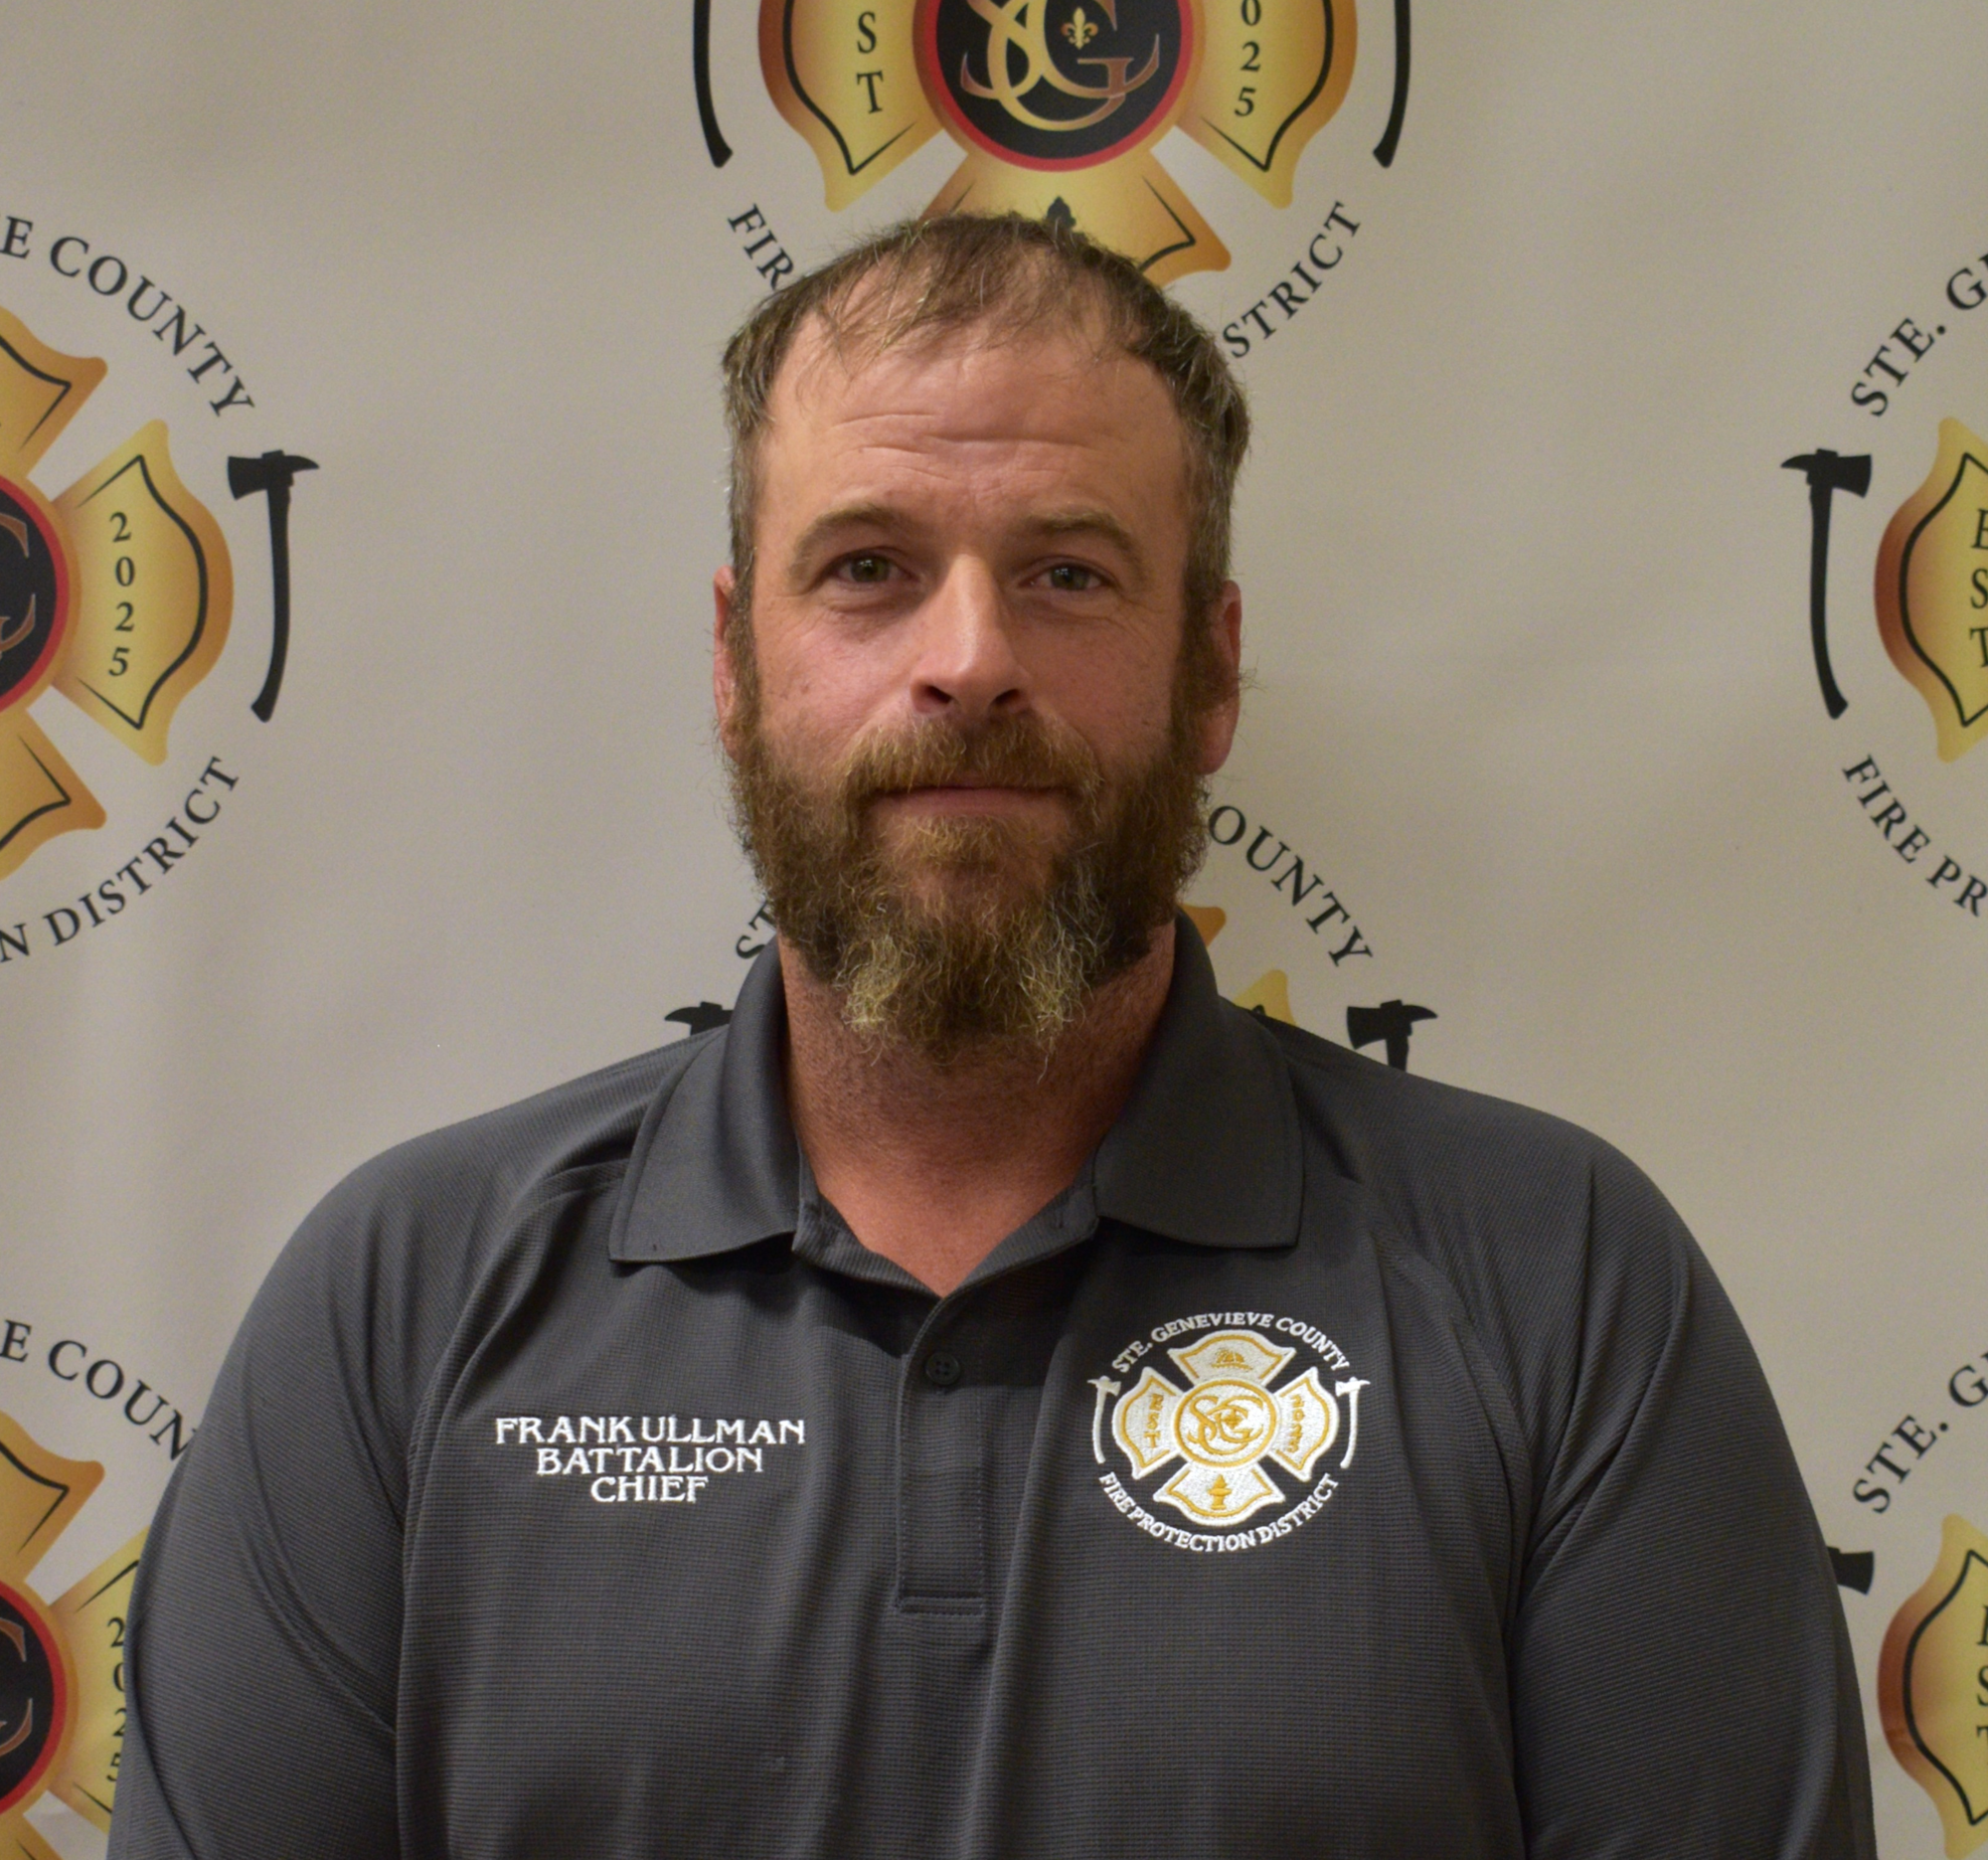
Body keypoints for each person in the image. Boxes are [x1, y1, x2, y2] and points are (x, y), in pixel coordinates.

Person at [110, 214, 1875, 1858]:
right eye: (869, 566)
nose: (969, 659)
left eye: (1071, 576)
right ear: (736, 662)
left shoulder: (1558, 1287)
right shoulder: (402, 1308)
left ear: (1212, 672)